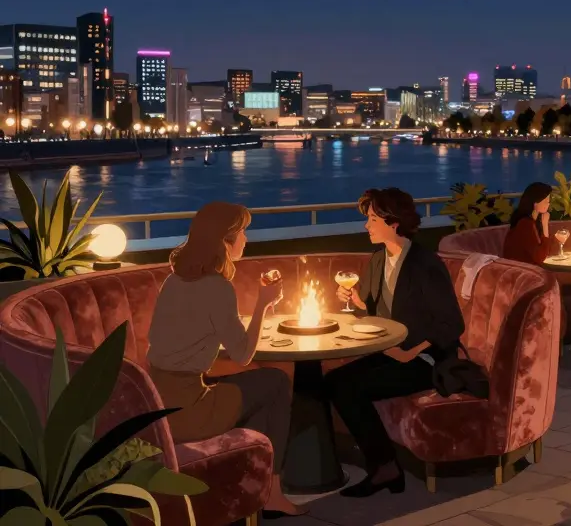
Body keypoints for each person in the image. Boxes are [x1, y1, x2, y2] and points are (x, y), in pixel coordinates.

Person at [146, 202, 304, 517]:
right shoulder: (217, 287)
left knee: (255, 389)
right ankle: (269, 491)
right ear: (224, 240)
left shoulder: (174, 280)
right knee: (275, 382)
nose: (246, 239)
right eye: (242, 232)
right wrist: (263, 304)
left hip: (157, 403)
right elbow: (243, 354)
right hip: (189, 410)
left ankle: (250, 485)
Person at [325, 188, 466, 497]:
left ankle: (385, 468)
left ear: (394, 222)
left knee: (350, 387)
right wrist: (356, 301)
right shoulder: (378, 260)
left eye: (373, 219)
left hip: (426, 359)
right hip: (392, 352)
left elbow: (451, 323)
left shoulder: (424, 263)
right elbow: (378, 310)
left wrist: (410, 353)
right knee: (333, 381)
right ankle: (361, 464)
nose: (366, 226)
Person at [503, 181, 553, 265]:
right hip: (522, 271)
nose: (548, 204)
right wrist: (545, 225)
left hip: (527, 269)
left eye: (548, 201)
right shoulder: (525, 224)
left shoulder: (533, 222)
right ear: (535, 202)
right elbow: (540, 257)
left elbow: (545, 251)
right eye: (545, 201)